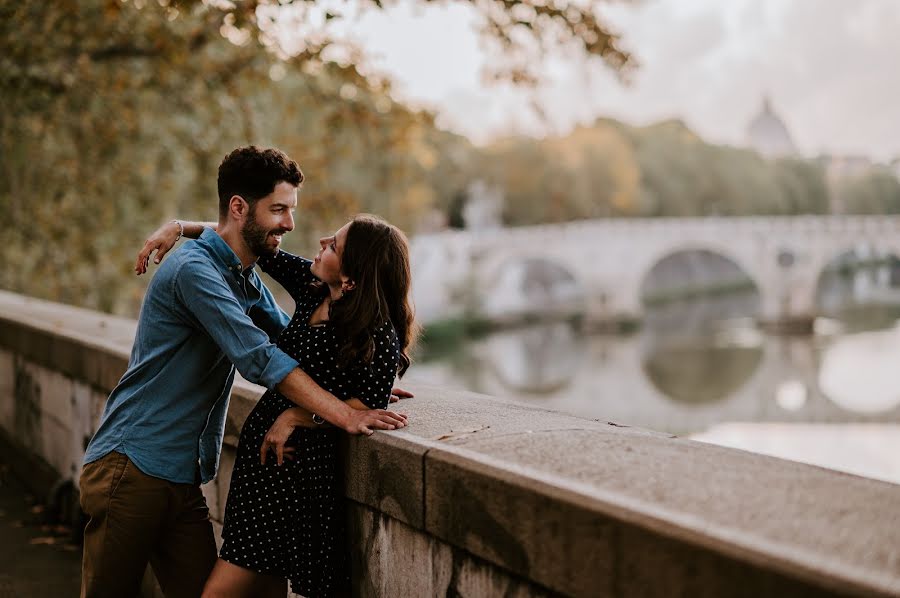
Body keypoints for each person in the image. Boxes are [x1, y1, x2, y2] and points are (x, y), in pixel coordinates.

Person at [79, 146, 408, 598]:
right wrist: (342, 414)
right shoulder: (195, 271)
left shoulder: (242, 276)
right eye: (278, 209)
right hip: (132, 468)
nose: (290, 225)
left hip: (180, 476)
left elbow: (287, 343)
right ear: (239, 207)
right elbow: (259, 358)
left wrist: (358, 391)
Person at [153, 214, 416, 597]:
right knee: (265, 589)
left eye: (335, 245)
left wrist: (298, 414)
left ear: (352, 277)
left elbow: (362, 410)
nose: (323, 240)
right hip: (260, 467)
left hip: (291, 474)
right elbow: (248, 239)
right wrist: (180, 228)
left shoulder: (376, 333)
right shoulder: (313, 288)